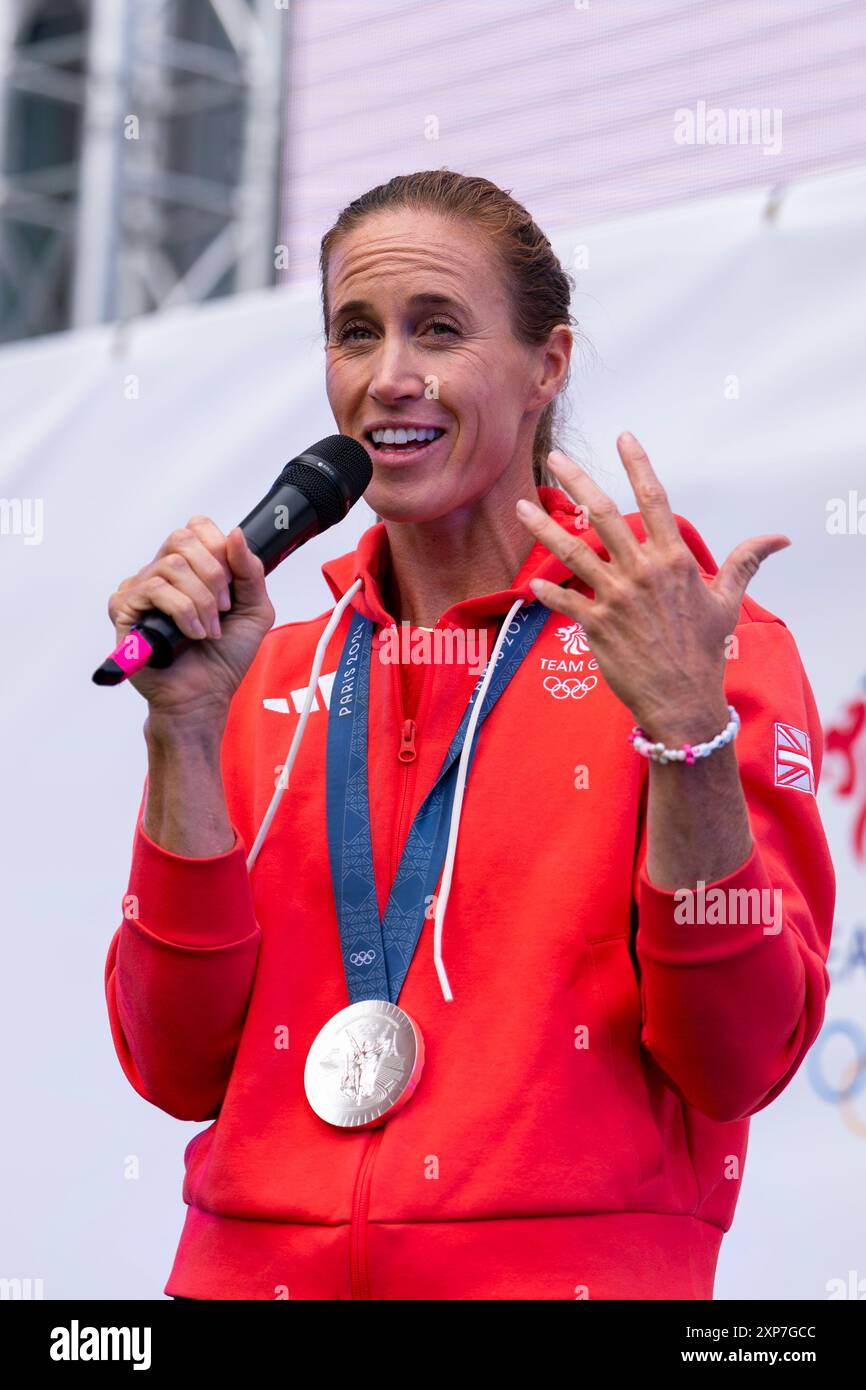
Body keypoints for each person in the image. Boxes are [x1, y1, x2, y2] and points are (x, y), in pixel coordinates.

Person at [103, 170, 835, 1301]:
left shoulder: (694, 647)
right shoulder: (272, 673)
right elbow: (173, 1062)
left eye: (436, 329)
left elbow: (735, 1056)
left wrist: (686, 730)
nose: (388, 376)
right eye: (355, 333)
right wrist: (183, 739)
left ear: (548, 365)